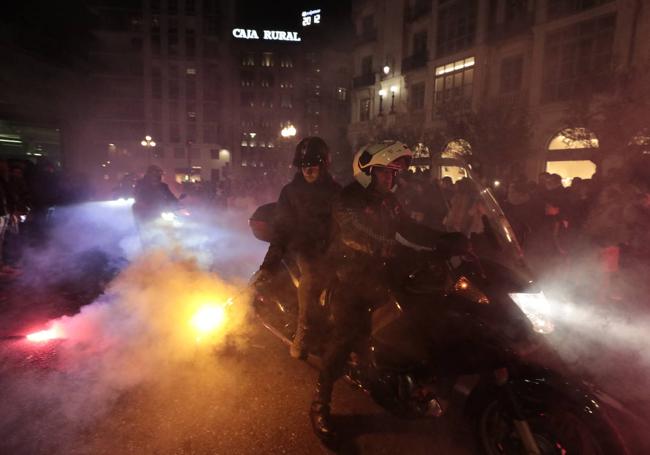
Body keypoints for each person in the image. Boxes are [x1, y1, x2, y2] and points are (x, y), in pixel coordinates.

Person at [309, 141, 447, 443]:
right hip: (348, 276)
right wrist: (391, 249)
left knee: (420, 314)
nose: (391, 179)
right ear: (367, 172)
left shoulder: (390, 201)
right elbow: (358, 232)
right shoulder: (348, 198)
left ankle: (405, 378)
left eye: (394, 174)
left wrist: (448, 240)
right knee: (345, 336)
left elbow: (408, 228)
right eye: (385, 173)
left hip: (380, 274)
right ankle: (321, 402)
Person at [258, 137, 341, 359]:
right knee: (312, 276)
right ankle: (302, 332)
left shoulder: (336, 192)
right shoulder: (290, 192)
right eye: (304, 164)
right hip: (304, 250)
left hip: (332, 249)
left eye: (313, 164)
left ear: (324, 165)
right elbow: (281, 230)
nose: (308, 169)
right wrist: (268, 266)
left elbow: (344, 224)